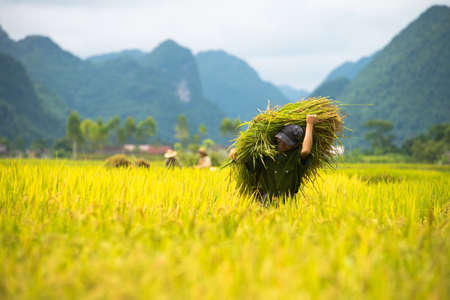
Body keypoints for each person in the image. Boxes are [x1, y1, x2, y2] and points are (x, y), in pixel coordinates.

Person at [230, 114, 318, 205]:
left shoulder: (296, 159)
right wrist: (237, 153)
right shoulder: (266, 154)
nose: (282, 144)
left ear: (295, 145)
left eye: (287, 143)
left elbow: (306, 151)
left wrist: (310, 124)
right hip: (264, 203)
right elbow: (250, 166)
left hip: (287, 204)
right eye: (281, 139)